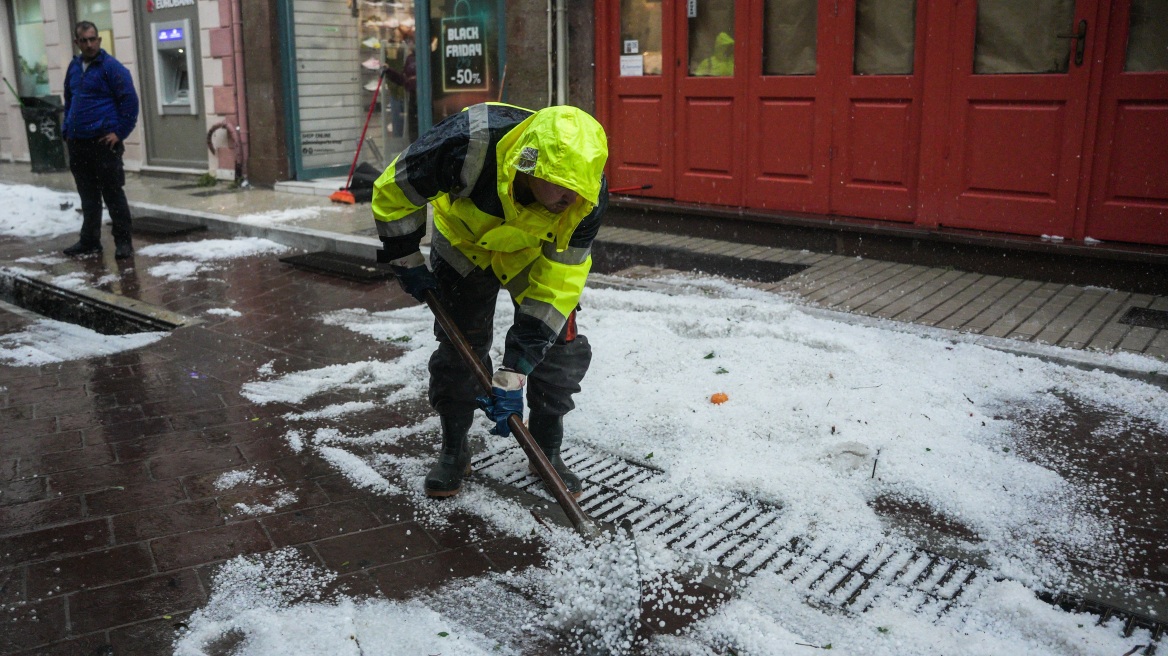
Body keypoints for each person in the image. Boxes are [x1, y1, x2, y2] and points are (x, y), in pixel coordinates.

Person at [372, 103, 608, 499]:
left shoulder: (587, 197)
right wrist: (404, 254)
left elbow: (559, 282)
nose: (570, 197)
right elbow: (395, 190)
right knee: (459, 347)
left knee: (558, 346)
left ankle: (546, 449)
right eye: (560, 184)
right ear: (528, 167)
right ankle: (454, 448)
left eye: (578, 187)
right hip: (466, 243)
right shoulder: (466, 143)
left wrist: (516, 368)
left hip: (532, 253)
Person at [61, 21, 139, 258]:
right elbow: (69, 99)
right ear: (77, 43)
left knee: (113, 194)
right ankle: (90, 241)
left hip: (104, 144)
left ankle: (124, 243)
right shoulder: (74, 68)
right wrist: (67, 129)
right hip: (78, 143)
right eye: (84, 40)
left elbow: (130, 102)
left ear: (99, 40)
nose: (89, 44)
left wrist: (119, 132)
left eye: (93, 39)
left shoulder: (111, 68)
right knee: (88, 196)